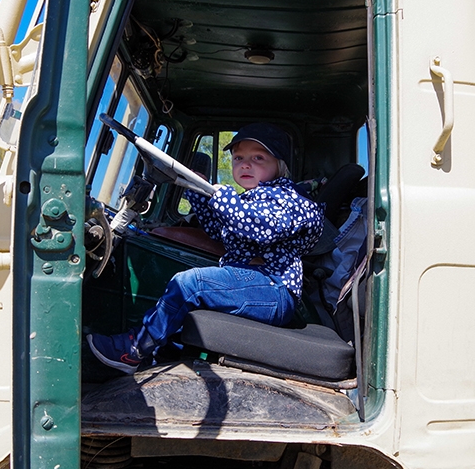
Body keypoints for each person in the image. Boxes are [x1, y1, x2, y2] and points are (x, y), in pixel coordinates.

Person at [89, 122, 325, 374]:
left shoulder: (290, 200)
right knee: (189, 293)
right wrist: (200, 194)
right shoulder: (248, 199)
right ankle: (160, 354)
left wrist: (225, 200)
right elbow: (220, 231)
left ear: (280, 165)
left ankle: (135, 350)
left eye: (258, 157)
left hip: (273, 289)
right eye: (238, 157)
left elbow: (262, 228)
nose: (245, 164)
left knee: (191, 283)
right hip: (254, 283)